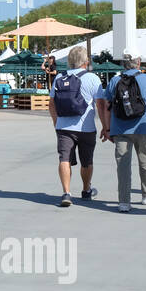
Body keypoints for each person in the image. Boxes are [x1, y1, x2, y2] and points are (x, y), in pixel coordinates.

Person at [94, 52, 146, 212]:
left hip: (120, 129)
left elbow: (107, 107)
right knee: (145, 160)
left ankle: (124, 202)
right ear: (139, 62)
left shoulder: (114, 81)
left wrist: (107, 128)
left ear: (123, 63)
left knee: (123, 165)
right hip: (144, 127)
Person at [49, 44, 103, 207]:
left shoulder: (59, 77)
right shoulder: (92, 78)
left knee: (64, 158)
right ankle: (86, 190)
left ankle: (66, 192)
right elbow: (100, 104)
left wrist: (56, 121)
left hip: (64, 127)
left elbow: (51, 103)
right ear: (85, 62)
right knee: (86, 161)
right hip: (86, 128)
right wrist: (106, 127)